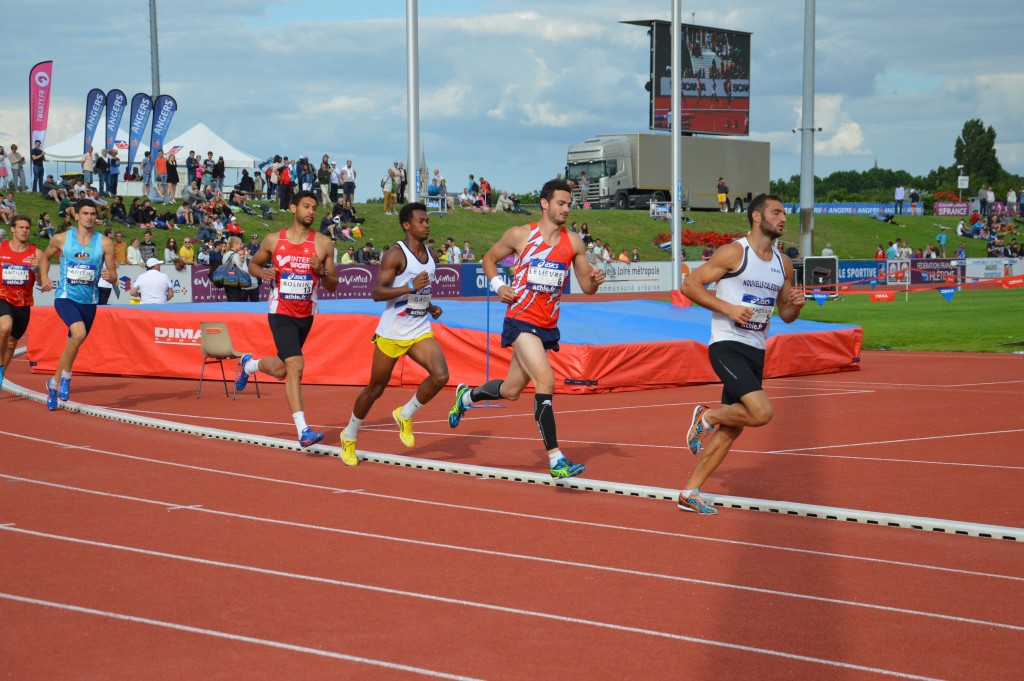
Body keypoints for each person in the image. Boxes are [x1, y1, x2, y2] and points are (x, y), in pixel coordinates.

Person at [447, 179, 605, 478]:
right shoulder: (521, 235)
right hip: (520, 319)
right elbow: (489, 259)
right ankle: (557, 459)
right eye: (561, 203)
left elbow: (586, 287)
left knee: (511, 390)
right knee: (545, 379)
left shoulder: (574, 243)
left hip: (547, 326)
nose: (566, 209)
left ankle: (466, 397)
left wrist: (595, 281)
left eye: (569, 204)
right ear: (545, 204)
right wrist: (498, 285)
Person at [677, 194, 805, 514]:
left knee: (733, 429)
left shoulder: (783, 264)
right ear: (757, 217)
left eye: (784, 212)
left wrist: (795, 306)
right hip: (727, 344)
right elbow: (690, 285)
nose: (784, 218)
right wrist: (728, 308)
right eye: (777, 212)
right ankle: (706, 416)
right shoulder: (735, 253)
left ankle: (689, 491)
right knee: (761, 413)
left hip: (756, 350)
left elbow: (786, 314)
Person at [339, 202, 450, 466]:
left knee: (441, 375)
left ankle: (405, 413)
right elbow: (377, 293)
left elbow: (421, 292)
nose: (426, 224)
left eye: (427, 221)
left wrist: (430, 305)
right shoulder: (395, 254)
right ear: (406, 225)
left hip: (419, 328)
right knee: (375, 388)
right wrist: (411, 286)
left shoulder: (431, 255)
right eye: (421, 221)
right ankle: (350, 435)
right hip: (392, 332)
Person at [235, 190, 339, 448]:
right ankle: (303, 429)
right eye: (306, 206)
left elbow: (333, 285)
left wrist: (321, 270)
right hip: (280, 311)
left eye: (314, 207)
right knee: (296, 366)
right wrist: (265, 272)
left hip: (306, 314)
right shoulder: (274, 240)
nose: (311, 212)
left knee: (282, 370)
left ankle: (250, 365)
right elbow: (253, 266)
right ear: (293, 208)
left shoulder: (324, 244)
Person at [36, 200, 118, 410]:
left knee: (72, 344)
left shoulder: (105, 243)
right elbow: (45, 258)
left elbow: (113, 275)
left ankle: (53, 385)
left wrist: (110, 276)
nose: (89, 217)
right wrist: (44, 277)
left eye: (92, 213)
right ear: (77, 216)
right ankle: (67, 376)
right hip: (65, 297)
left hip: (89, 301)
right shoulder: (61, 239)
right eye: (85, 213)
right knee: (78, 333)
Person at [0, 215, 44, 391]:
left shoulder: (36, 253)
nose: (24, 230)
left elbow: (41, 282)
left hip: (24, 304)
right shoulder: (1, 249)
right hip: (2, 298)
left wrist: (37, 269)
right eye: (21, 227)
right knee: (4, 328)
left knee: (12, 343)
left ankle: (2, 370)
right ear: (12, 229)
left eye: (27, 228)